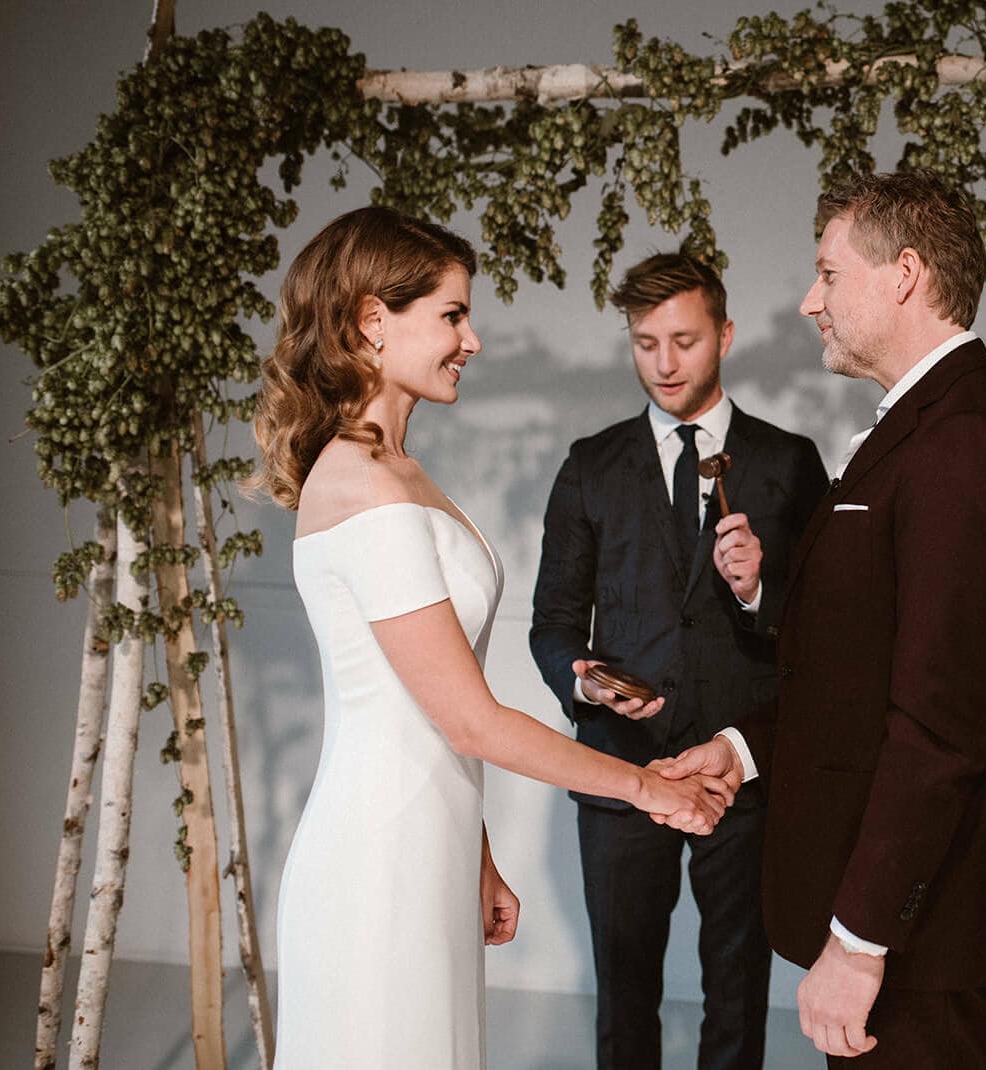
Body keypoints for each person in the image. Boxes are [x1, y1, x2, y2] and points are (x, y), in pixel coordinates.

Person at [253, 207, 729, 1070]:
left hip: (426, 844)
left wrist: (473, 854)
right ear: (373, 321)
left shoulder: (396, 470)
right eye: (452, 316)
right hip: (378, 862)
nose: (470, 340)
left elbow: (426, 705)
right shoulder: (364, 484)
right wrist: (646, 788)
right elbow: (470, 721)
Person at [659, 171, 986, 1067]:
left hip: (925, 939)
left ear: (904, 274)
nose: (811, 301)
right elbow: (861, 672)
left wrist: (860, 940)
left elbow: (941, 725)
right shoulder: (924, 427)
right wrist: (744, 749)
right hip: (898, 931)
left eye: (829, 274)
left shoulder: (966, 442)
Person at [530, 253, 827, 1069]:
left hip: (743, 770)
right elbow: (553, 624)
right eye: (645, 343)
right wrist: (587, 681)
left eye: (684, 341)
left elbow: (825, 631)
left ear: (724, 336)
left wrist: (759, 590)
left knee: (738, 991)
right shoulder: (590, 464)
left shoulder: (790, 462)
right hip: (620, 764)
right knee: (624, 997)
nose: (663, 363)